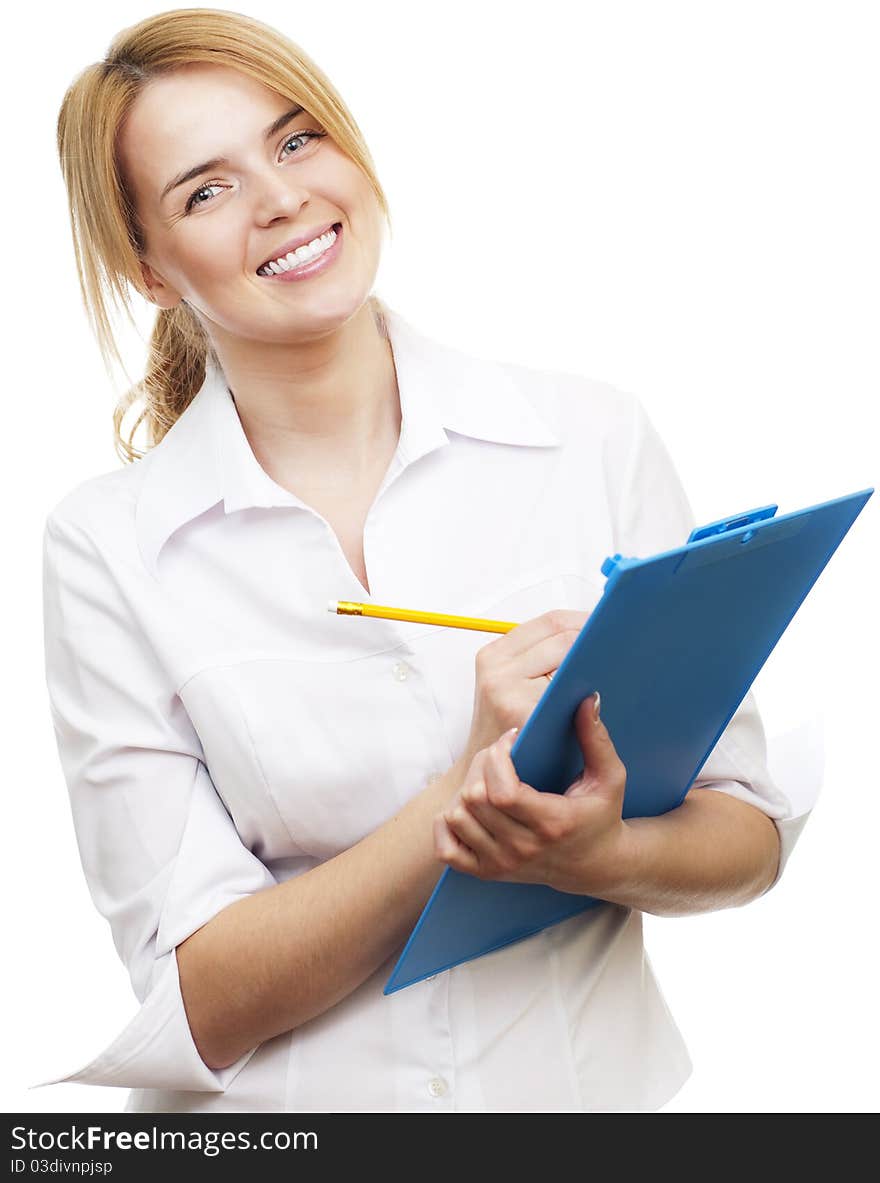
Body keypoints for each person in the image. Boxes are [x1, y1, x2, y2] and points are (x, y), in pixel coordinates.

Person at [36, 9, 811, 1113]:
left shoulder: (590, 437)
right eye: (205, 190)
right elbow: (200, 995)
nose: (283, 198)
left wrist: (591, 854)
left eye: (298, 140)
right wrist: (461, 797)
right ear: (149, 270)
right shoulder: (108, 547)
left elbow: (744, 827)